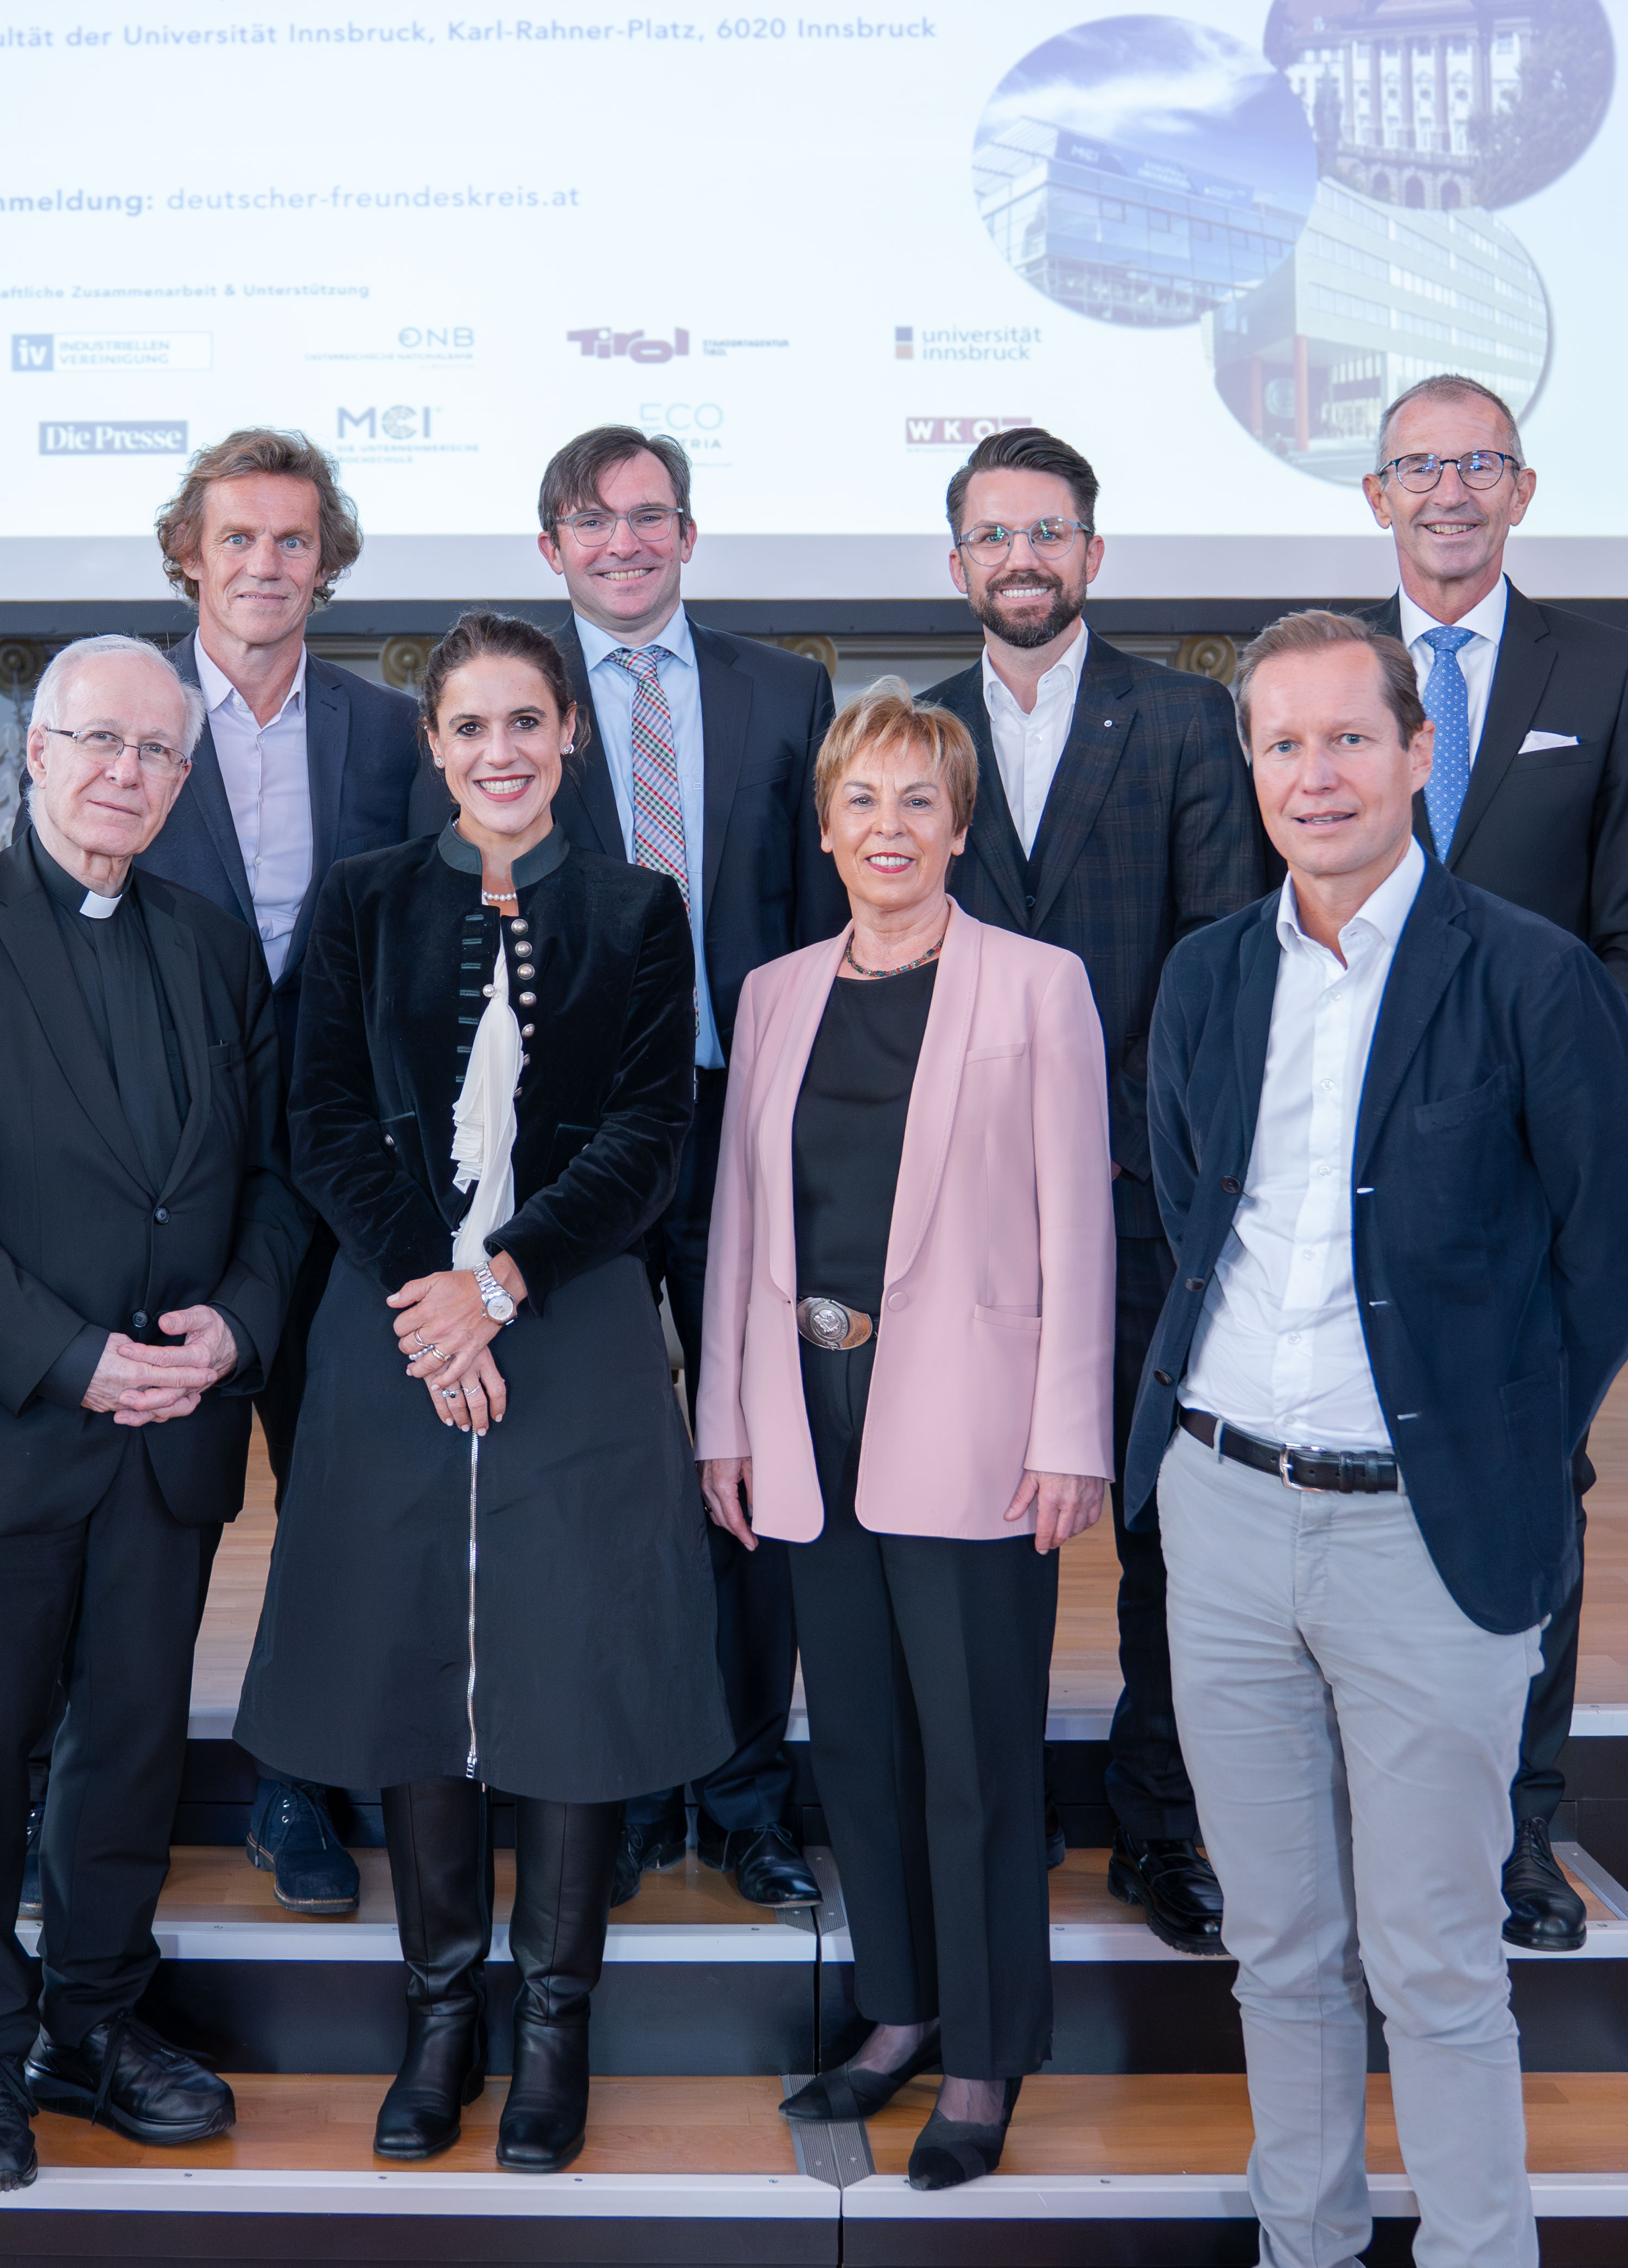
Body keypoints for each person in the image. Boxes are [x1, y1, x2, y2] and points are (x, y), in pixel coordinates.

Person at [1131, 609, 1628, 2268]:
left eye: (1348, 738)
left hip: (1426, 1534)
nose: (1316, 774)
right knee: (1279, 1945)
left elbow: (1613, 1261)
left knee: (1433, 1957)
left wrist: (1494, 1437)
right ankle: (1303, 2245)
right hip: (1222, 1511)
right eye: (1281, 742)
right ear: (1250, 766)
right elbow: (1189, 1211)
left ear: (1417, 751)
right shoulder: (1207, 975)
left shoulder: (1531, 975)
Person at [233, 609, 728, 2174]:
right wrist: (432, 1295)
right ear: (433, 747)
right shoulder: (363, 898)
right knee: (410, 1659)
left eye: (527, 721)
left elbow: (646, 1138)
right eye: (470, 727)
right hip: (393, 1323)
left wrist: (500, 1283)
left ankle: (555, 2026)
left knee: (568, 1663)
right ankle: (441, 2016)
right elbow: (321, 1119)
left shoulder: (641, 908)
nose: (500, 751)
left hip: (572, 1321)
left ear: (570, 733)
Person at [0, 633, 309, 2197]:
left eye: (157, 751)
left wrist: (238, 1322)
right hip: (1, 1423)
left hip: (174, 1426)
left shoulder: (212, 945)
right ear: (33, 752)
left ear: (184, 780)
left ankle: (95, 2018)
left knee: (129, 1742)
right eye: (99, 740)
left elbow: (271, 1176)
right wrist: (71, 1358)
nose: (126, 771)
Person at [694, 682, 1117, 2190]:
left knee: (979, 1758)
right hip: (806, 1419)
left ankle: (987, 2051)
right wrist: (724, 1419)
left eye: (917, 801)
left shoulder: (1037, 985)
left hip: (979, 1427)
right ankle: (899, 2008)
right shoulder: (773, 994)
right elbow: (741, 1223)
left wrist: (1072, 1430)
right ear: (824, 829)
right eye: (861, 801)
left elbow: (1080, 1219)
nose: (889, 827)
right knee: (862, 1748)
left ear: (957, 826)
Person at [1351, 373, 1628, 1954]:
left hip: (1525, 1178)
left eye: (1478, 463)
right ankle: (1361, 1809)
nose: (1449, 491)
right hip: (1343, 1165)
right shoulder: (1316, 668)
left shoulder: (1605, 671)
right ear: (1376, 495)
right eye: (1418, 466)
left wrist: (1550, 1105)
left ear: (1524, 488)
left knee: (1529, 1490)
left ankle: (1518, 1825)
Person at [923, 426, 1263, 1958]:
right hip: (951, 1215)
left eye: (1047, 532)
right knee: (968, 1523)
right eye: (995, 535)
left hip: (1142, 1198)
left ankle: (1163, 1823)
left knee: (1160, 1531)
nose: (1023, 558)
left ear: (1092, 554)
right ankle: (985, 1815)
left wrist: (1113, 1147)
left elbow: (1215, 969)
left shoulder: (1187, 721)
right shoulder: (913, 733)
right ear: (958, 565)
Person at [500, 425, 837, 1916]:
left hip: (747, 1118)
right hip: (575, 1145)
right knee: (602, 1461)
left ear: (689, 534)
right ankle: (624, 1771)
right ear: (551, 548)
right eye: (592, 520)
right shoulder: (516, 701)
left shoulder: (785, 691)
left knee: (755, 1445)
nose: (623, 542)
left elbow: (824, 917)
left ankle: (745, 1785)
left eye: (649, 516)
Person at [142, 427, 426, 1917]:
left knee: (335, 1486)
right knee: (158, 1496)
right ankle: (104, 1776)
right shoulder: (124, 713)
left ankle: (300, 1774)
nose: (265, 564)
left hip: (336, 1172)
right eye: (238, 538)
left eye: (294, 540)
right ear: (189, 555)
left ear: (329, 562)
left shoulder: (389, 734)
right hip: (161, 1171)